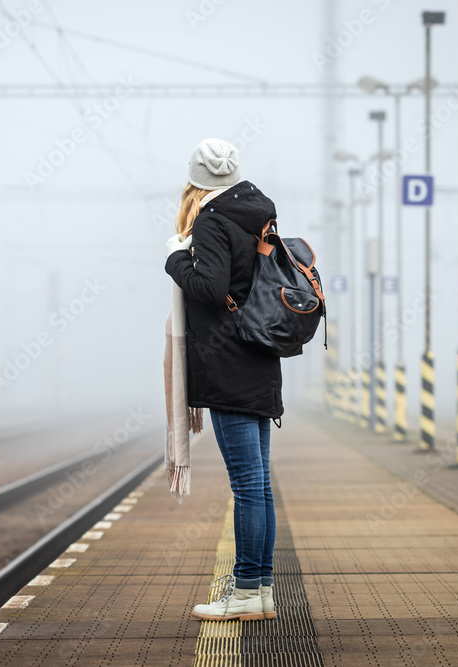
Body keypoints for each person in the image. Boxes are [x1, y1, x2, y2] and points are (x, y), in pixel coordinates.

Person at [164, 138, 281, 622]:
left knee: (248, 486)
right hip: (259, 356)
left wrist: (175, 258)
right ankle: (261, 589)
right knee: (260, 485)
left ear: (194, 182)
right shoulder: (260, 213)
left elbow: (211, 290)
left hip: (228, 363)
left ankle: (246, 591)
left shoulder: (212, 220)